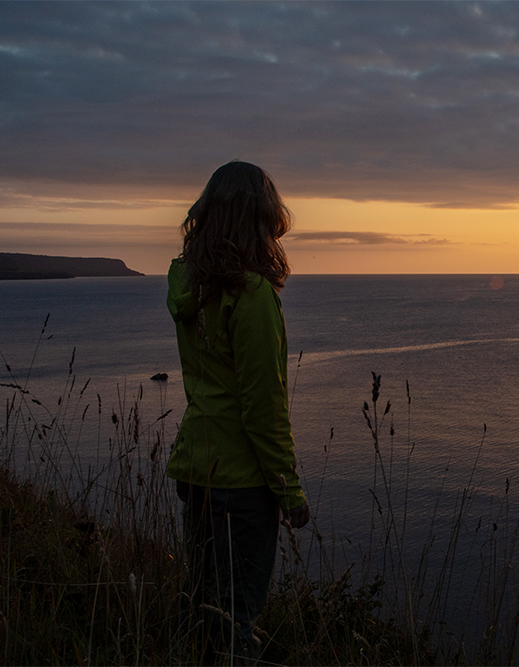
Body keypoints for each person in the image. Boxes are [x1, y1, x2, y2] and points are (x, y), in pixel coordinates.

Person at [166, 160, 309, 664]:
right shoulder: (251, 296)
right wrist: (289, 491)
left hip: (197, 466)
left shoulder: (191, 285)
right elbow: (263, 409)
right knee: (235, 622)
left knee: (203, 612)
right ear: (263, 219)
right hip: (242, 482)